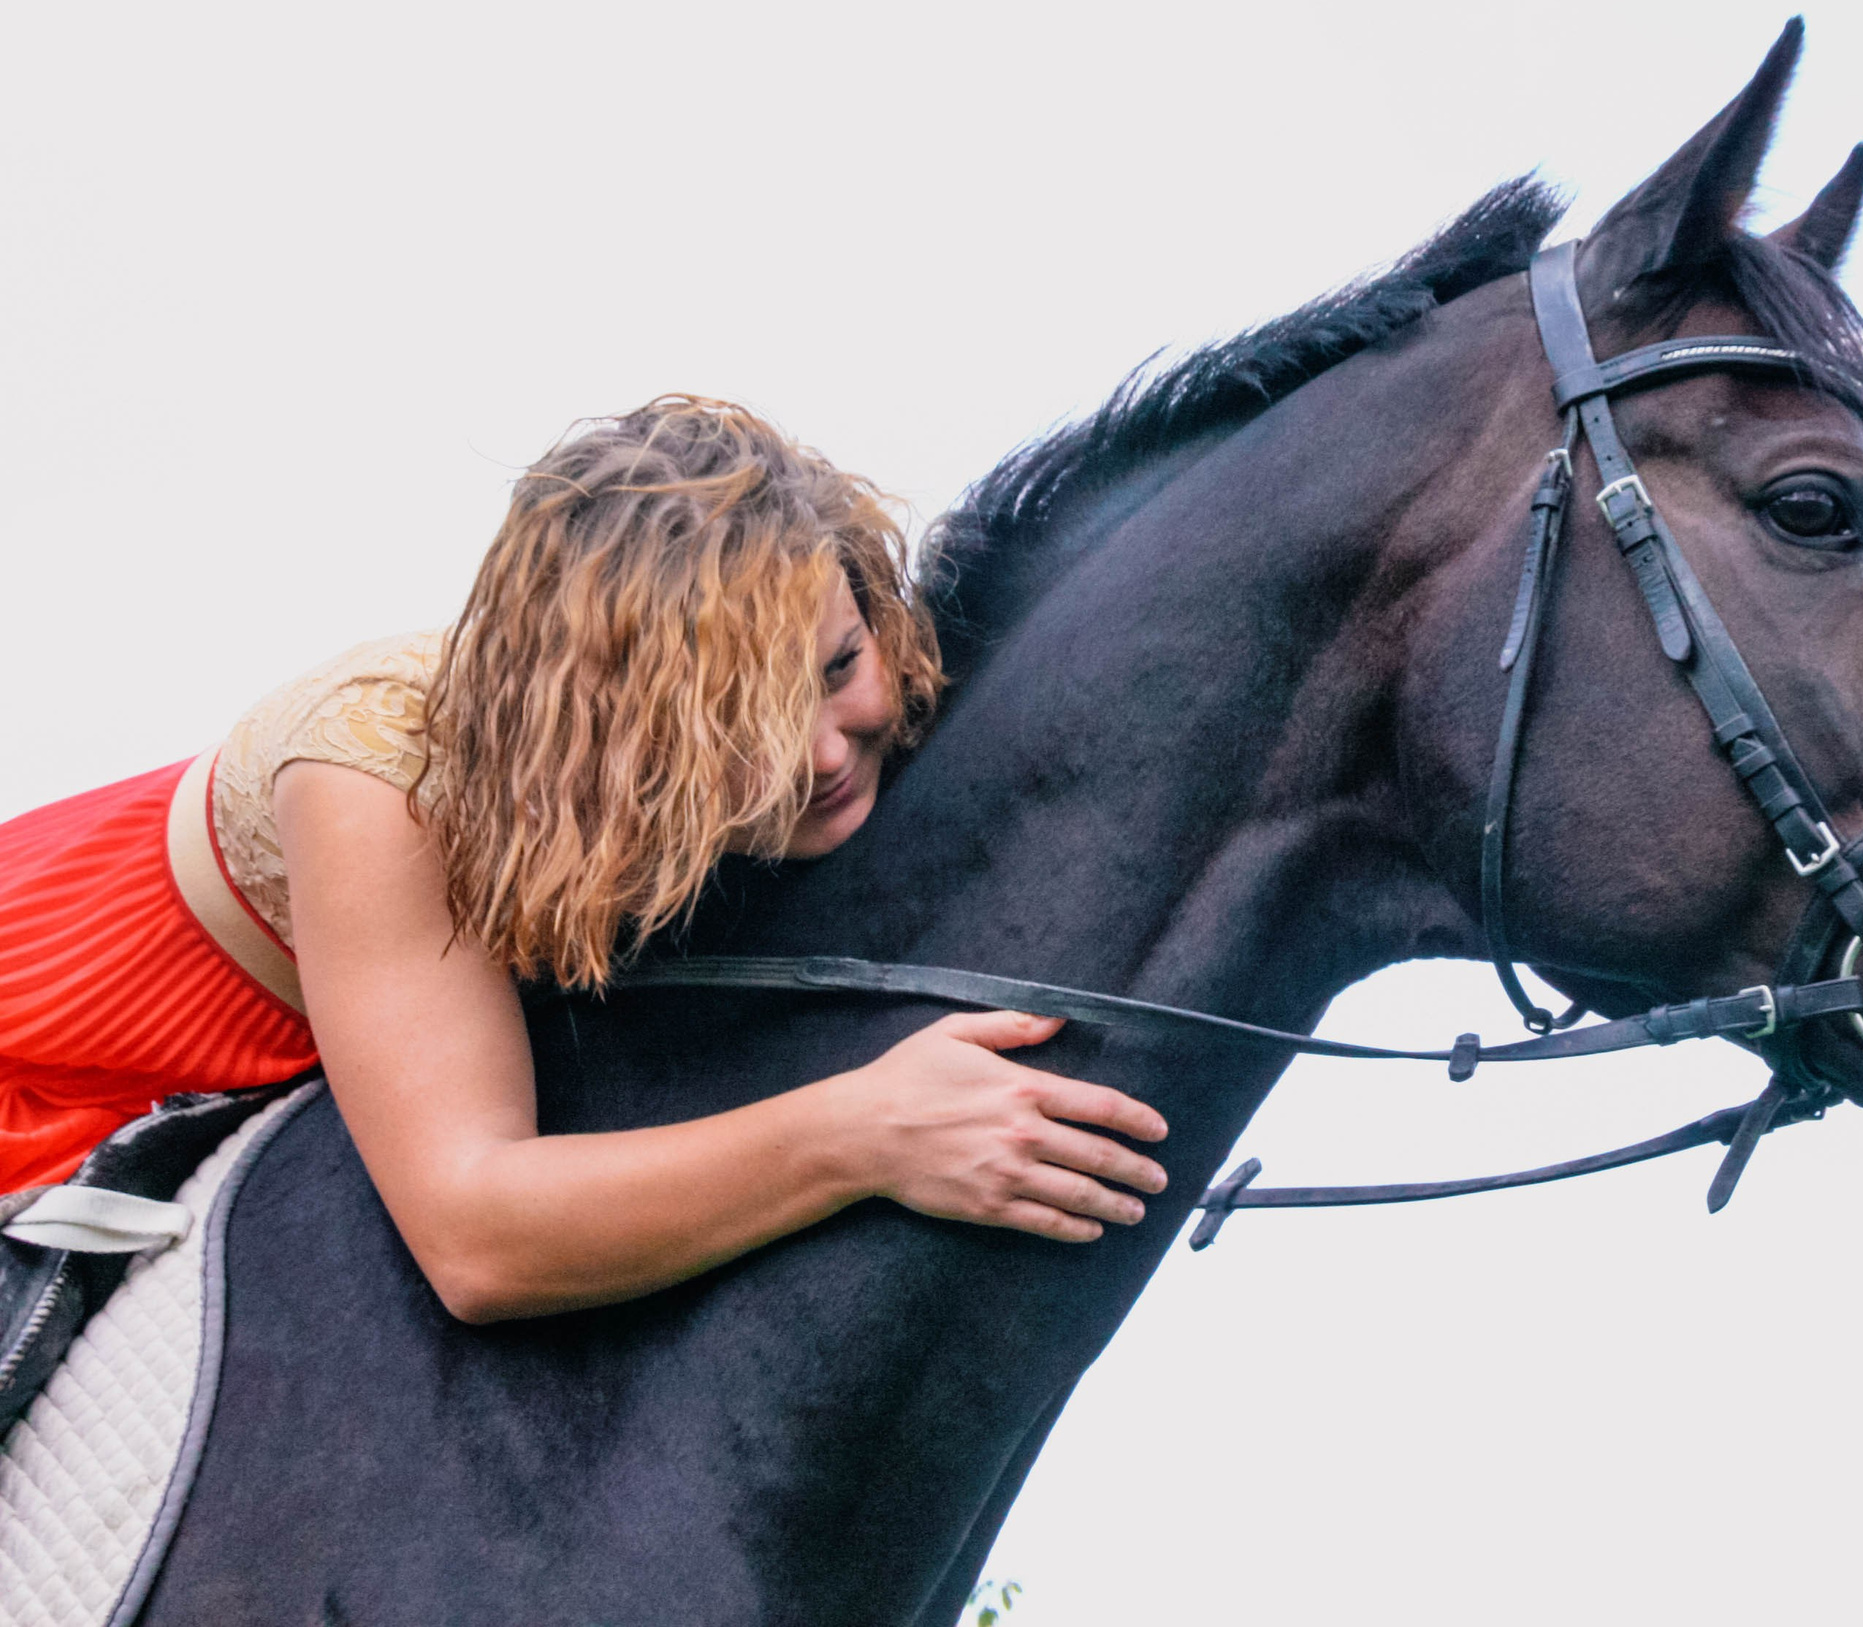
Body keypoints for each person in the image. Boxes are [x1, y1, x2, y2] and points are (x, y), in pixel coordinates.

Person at [0, 395, 1168, 1324]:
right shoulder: (382, 779)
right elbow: (474, 1241)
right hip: (45, 1063)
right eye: (738, 718)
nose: (822, 751)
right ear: (619, 726)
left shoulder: (861, 709)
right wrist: (863, 1133)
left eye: (835, 668)